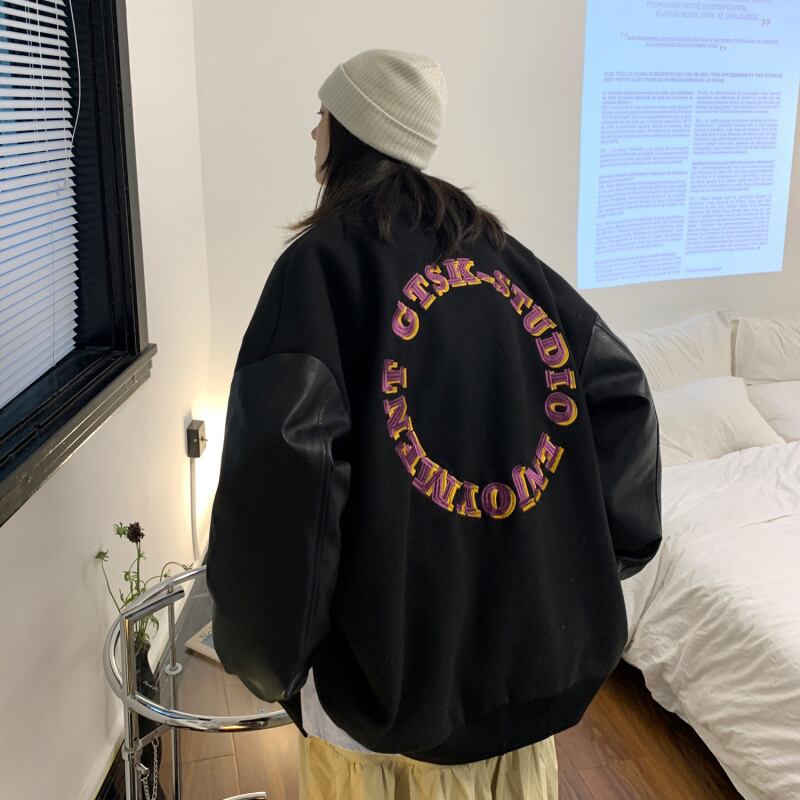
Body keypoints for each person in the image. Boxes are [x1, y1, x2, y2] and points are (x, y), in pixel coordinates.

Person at [206, 48, 662, 800]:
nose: (313, 132)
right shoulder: (509, 259)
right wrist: (582, 554)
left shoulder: (319, 270)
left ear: (353, 132)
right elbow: (623, 393)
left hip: (384, 723)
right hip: (527, 703)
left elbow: (283, 478)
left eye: (322, 116)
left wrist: (267, 658)